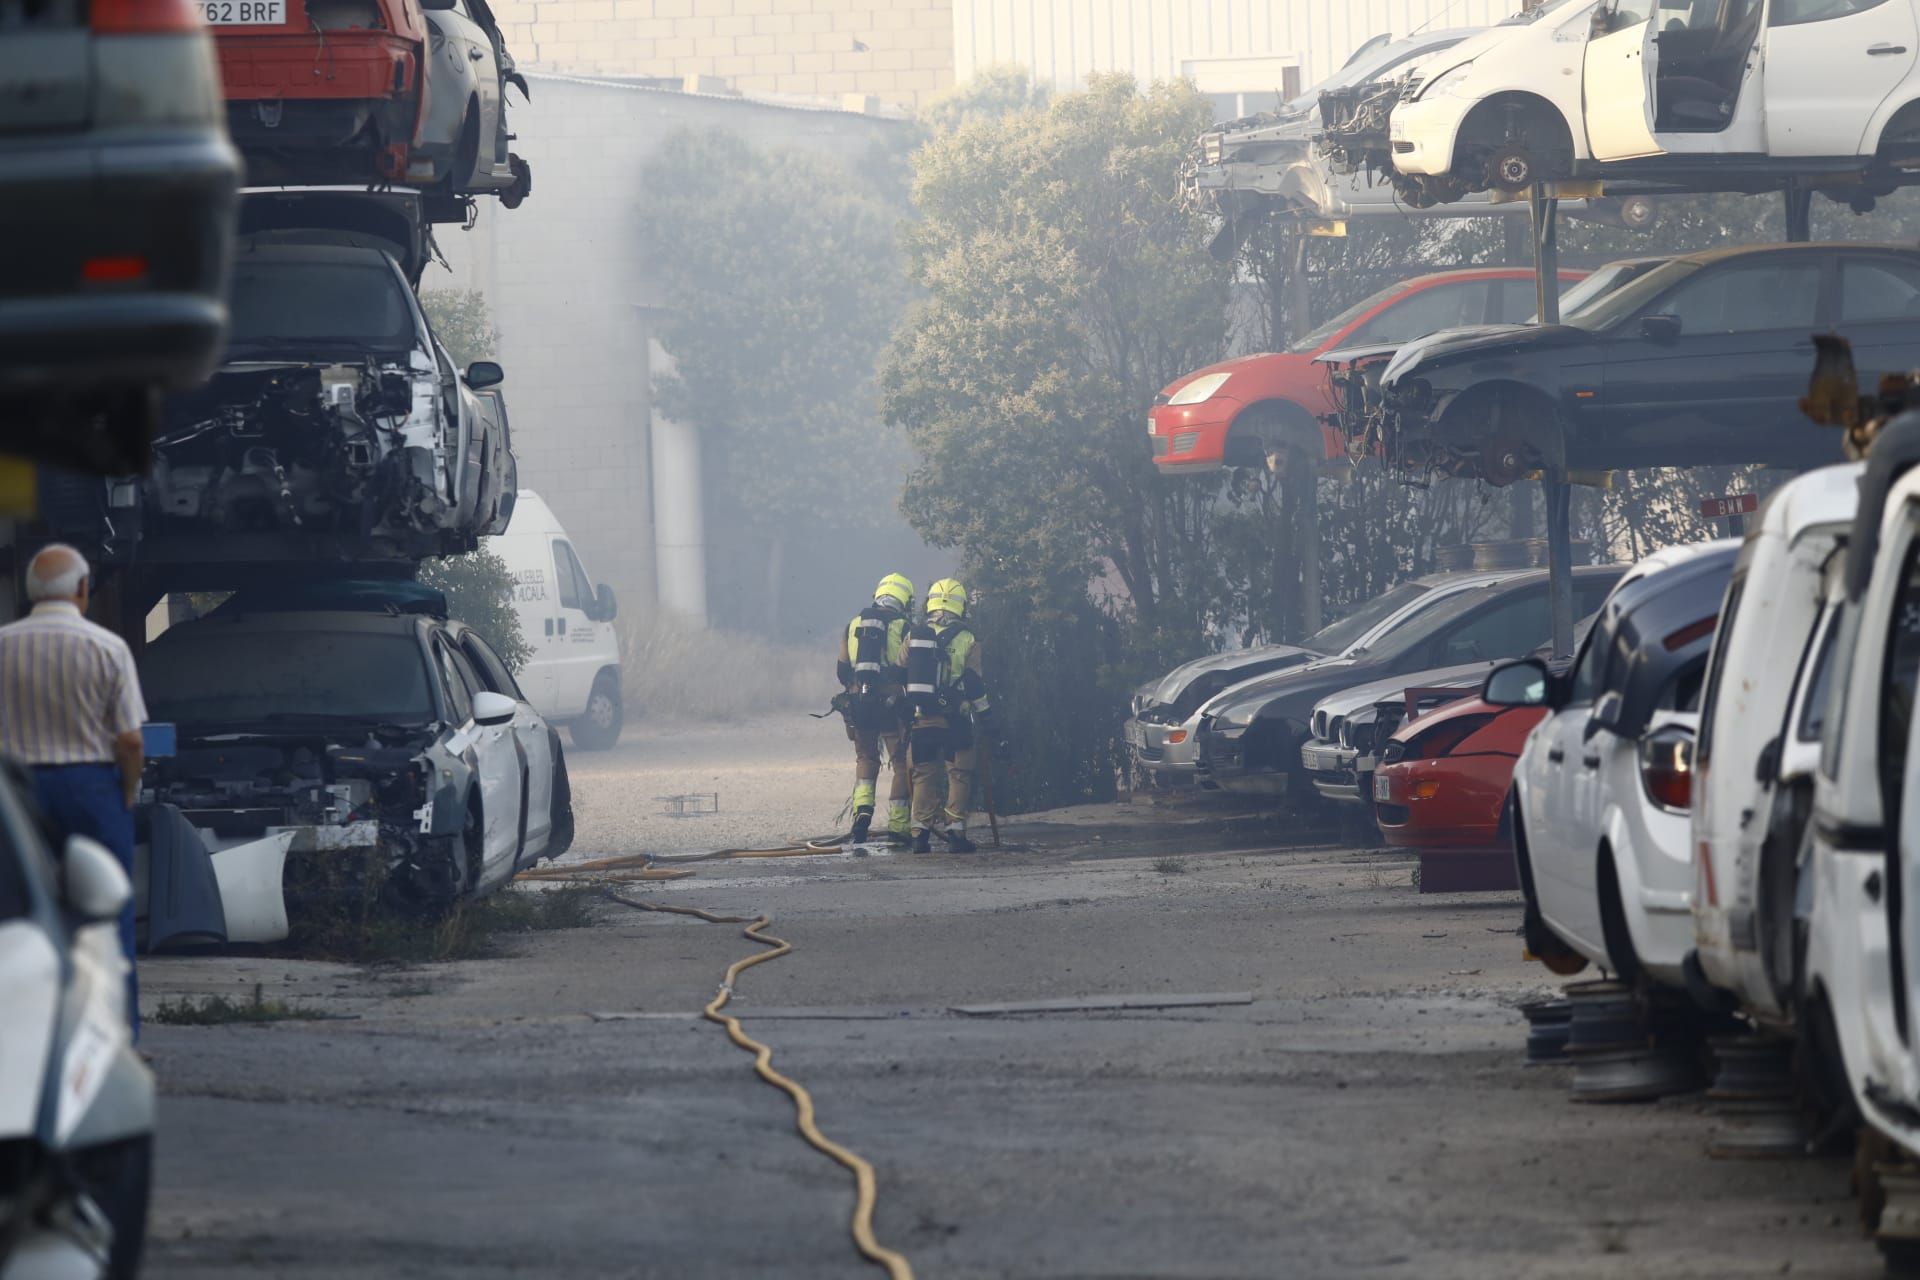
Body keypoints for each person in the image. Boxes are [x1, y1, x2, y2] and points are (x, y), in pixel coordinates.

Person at [0, 545, 148, 1035]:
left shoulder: (3, 644)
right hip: (90, 788)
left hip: (15, 792)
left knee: (17, 914)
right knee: (106, 913)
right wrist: (126, 793)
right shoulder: (107, 647)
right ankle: (113, 1035)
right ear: (82, 589)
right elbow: (129, 740)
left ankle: (25, 1033)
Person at [906, 578, 1004, 855]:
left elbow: (902, 667)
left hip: (922, 718)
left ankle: (919, 835)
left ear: (931, 602)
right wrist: (988, 719)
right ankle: (956, 834)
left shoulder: (915, 635)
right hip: (955, 722)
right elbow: (974, 685)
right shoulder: (967, 639)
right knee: (959, 774)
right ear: (960, 605)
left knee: (923, 775)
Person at [836, 573, 915, 845]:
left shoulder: (853, 625)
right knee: (901, 764)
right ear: (904, 600)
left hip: (859, 704)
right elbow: (910, 670)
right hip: (891, 707)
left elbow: (842, 671)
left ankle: (862, 815)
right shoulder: (905, 627)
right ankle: (898, 826)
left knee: (866, 759)